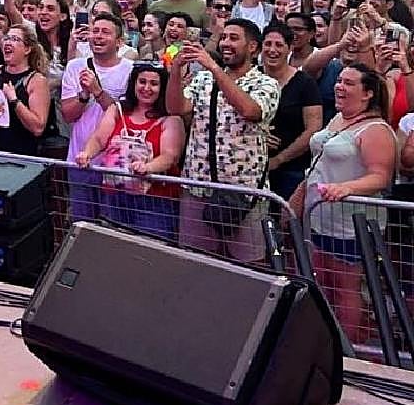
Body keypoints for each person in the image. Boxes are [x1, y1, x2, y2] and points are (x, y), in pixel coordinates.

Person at [291, 64, 398, 344]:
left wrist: (346, 188)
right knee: (322, 281)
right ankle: (323, 341)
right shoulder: (338, 118)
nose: (339, 87)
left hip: (352, 224)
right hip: (319, 217)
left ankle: (347, 351)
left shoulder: (377, 129)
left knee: (346, 287)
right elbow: (321, 160)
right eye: (339, 81)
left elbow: (380, 176)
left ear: (367, 94)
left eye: (349, 83)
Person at [166, 18, 279, 263]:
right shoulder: (202, 80)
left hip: (244, 193)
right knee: (196, 264)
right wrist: (176, 71)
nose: (226, 43)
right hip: (197, 188)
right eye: (224, 37)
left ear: (252, 47)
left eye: (234, 38)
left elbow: (251, 111)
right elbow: (176, 107)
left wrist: (215, 69)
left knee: (249, 269)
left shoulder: (266, 84)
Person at [74, 63, 185, 240]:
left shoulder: (171, 118)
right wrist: (87, 153)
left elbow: (170, 156)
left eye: (154, 84)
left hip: (154, 200)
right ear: (133, 84)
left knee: (151, 250)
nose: (147, 88)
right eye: (142, 82)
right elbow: (99, 138)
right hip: (115, 195)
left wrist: (148, 167)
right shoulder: (117, 109)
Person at [61, 14, 134, 222]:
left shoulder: (130, 70)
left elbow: (123, 117)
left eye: (105, 32)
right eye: (95, 31)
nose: (98, 37)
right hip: (80, 162)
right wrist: (84, 95)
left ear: (119, 42)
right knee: (81, 227)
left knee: (113, 229)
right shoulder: (75, 66)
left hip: (115, 166)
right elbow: (68, 115)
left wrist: (97, 91)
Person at [0, 22, 51, 156]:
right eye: (7, 38)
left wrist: (15, 101)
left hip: (19, 155)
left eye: (15, 39)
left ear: (27, 49)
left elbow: (38, 127)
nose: (8, 43)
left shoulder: (36, 80)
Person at [259, 23, 322, 199]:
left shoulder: (305, 83)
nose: (272, 50)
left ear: (290, 48)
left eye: (279, 45)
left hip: (292, 170)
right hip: (253, 167)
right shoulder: (251, 77)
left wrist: (279, 160)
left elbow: (314, 129)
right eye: (267, 44)